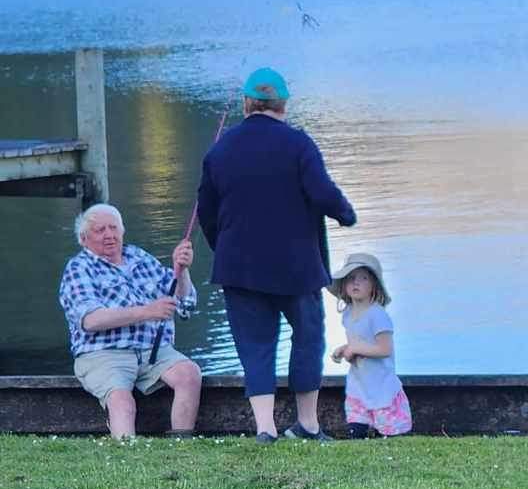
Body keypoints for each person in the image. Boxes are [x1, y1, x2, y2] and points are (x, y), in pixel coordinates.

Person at [196, 68, 356, 444]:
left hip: (239, 268)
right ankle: (308, 424)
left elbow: (206, 213)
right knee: (309, 338)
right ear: (283, 104)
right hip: (296, 267)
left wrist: (227, 249)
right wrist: (346, 214)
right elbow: (322, 192)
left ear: (247, 103)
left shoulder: (220, 150)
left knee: (255, 345)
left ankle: (265, 428)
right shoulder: (298, 144)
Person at [58, 204, 202, 441]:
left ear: (122, 232)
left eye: (113, 228)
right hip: (102, 354)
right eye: (100, 230)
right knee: (122, 401)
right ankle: (128, 459)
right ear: (84, 239)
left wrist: (182, 270)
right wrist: (146, 312)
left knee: (190, 374)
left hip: (154, 351)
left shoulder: (139, 257)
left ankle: (182, 443)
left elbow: (186, 305)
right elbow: (91, 320)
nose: (109, 235)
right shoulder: (78, 268)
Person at [328, 251, 411, 438]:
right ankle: (357, 436)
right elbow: (357, 342)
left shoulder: (377, 315)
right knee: (356, 426)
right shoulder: (348, 314)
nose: (356, 283)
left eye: (363, 278)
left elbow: (384, 349)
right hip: (359, 382)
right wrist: (344, 349)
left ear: (374, 285)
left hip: (380, 383)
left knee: (389, 429)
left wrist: (355, 349)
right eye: (350, 278)